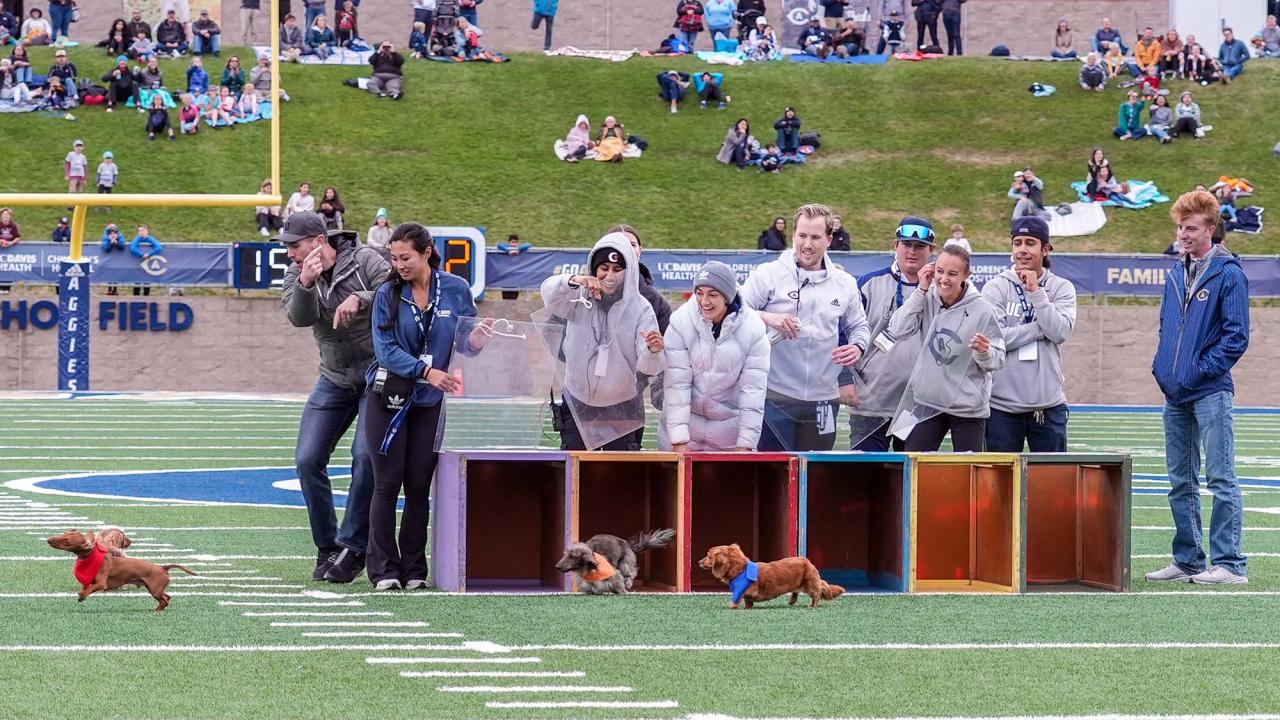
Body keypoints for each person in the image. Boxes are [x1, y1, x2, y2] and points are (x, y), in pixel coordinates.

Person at [363, 222, 482, 591]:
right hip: (389, 398)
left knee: (418, 485)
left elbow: (466, 342)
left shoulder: (457, 290)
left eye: (406, 257)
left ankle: (414, 568)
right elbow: (385, 350)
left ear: (426, 253)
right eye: (394, 258)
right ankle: (383, 569)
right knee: (386, 483)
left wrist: (478, 339)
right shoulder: (388, 293)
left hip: (430, 401)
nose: (399, 264)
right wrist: (425, 371)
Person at [278, 211, 390, 585]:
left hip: (377, 374)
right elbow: (298, 317)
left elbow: (396, 293)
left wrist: (360, 297)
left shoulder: (365, 259)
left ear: (318, 241)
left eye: (295, 246)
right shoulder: (297, 273)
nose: (291, 254)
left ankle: (353, 546)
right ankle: (327, 546)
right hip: (334, 376)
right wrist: (306, 283)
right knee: (307, 459)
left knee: (365, 457)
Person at [1146, 190, 1249, 586]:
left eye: (1190, 228)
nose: (1183, 234)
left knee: (1221, 476)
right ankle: (1188, 559)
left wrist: (1199, 371)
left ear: (1210, 229)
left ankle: (1230, 564)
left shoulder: (1229, 274)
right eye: (1179, 227)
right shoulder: (1176, 272)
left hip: (1210, 391)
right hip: (1175, 394)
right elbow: (1166, 329)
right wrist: (1163, 368)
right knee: (1180, 480)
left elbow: (1236, 337)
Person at [741, 203, 869, 451]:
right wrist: (768, 317)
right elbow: (736, 310)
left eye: (815, 237)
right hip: (775, 396)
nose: (807, 244)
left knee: (815, 474)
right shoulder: (768, 274)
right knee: (776, 475)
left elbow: (860, 326)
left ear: (829, 240)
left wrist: (858, 346)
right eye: (802, 236)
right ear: (793, 235)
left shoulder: (844, 283)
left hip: (824, 400)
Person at [540, 234, 665, 451]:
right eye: (604, 268)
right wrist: (573, 281)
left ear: (629, 272)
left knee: (616, 477)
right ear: (594, 269)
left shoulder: (641, 308)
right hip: (577, 402)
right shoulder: (578, 297)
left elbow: (649, 368)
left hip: (621, 407)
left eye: (617, 269)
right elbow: (549, 295)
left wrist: (653, 351)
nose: (610, 275)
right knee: (575, 474)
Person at [888, 243, 1004, 452]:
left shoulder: (983, 310)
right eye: (940, 271)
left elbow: (997, 359)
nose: (943, 279)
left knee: (969, 474)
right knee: (913, 465)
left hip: (968, 409)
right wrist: (920, 290)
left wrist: (984, 352)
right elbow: (897, 329)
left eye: (952, 273)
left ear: (966, 275)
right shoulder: (925, 297)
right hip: (927, 403)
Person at [982, 216, 1076, 452]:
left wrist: (1036, 291)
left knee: (1051, 485)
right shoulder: (996, 287)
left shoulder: (1061, 288)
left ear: (1045, 249)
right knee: (999, 486)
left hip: (1047, 406)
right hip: (1001, 407)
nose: (1022, 250)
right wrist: (1039, 328)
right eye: (1017, 243)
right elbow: (995, 339)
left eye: (1030, 243)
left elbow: (1060, 332)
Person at [843, 217, 933, 450]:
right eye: (906, 244)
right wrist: (844, 379)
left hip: (915, 406)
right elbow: (842, 332)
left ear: (932, 250)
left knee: (912, 477)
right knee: (867, 476)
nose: (912, 251)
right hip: (870, 402)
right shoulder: (868, 283)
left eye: (919, 246)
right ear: (895, 246)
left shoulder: (940, 290)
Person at [661, 260, 770, 452]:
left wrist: (745, 444)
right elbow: (677, 384)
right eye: (699, 294)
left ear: (728, 297)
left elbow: (753, 391)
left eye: (712, 295)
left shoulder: (754, 329)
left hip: (728, 434)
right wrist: (679, 440)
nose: (704, 301)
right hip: (685, 429)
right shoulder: (680, 322)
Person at [608, 223, 673, 430]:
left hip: (628, 399)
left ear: (640, 251)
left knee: (624, 462)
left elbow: (668, 352)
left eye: (632, 244)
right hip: (584, 396)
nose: (627, 248)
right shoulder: (584, 292)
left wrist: (641, 375)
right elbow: (555, 334)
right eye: (620, 244)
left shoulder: (655, 302)